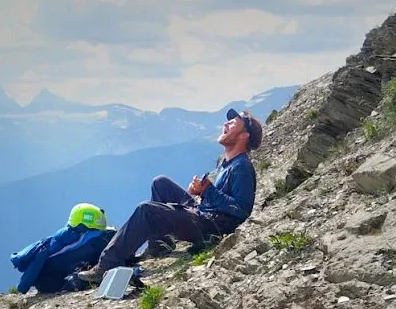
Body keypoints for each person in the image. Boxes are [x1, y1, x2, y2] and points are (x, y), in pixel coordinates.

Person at [77, 108, 262, 283]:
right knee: (161, 183)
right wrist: (198, 192)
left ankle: (106, 265)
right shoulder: (228, 163)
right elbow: (220, 198)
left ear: (244, 135)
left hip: (210, 227)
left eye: (233, 123)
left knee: (146, 210)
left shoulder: (242, 167)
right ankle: (159, 245)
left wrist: (208, 191)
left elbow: (241, 210)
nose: (225, 124)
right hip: (204, 213)